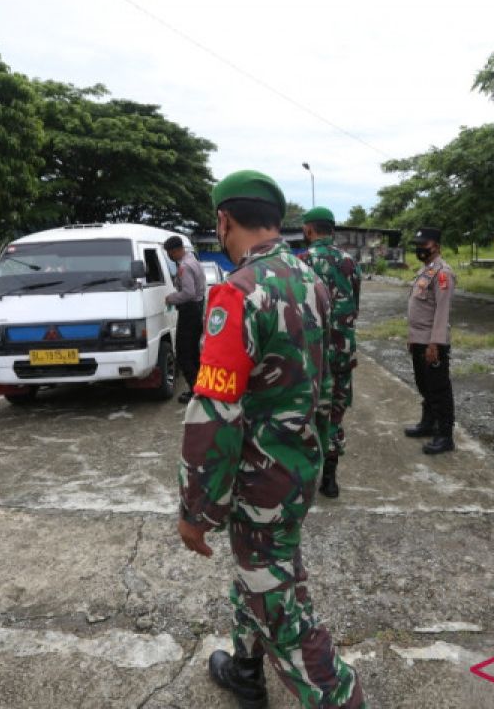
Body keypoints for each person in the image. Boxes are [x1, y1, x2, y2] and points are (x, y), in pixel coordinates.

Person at [177, 170, 365, 709]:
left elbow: (213, 412)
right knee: (257, 575)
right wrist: (319, 454)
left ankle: (341, 697)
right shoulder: (312, 282)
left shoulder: (236, 294)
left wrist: (196, 508)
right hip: (296, 471)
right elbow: (329, 383)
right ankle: (243, 669)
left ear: (224, 220)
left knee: (284, 613)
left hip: (258, 486)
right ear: (277, 221)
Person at [298, 206, 361, 498]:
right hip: (342, 351)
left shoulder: (301, 262)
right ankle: (330, 479)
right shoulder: (349, 262)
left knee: (306, 412)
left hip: (311, 354)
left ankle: (304, 478)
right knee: (336, 412)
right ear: (332, 230)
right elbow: (355, 306)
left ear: (309, 230)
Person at [403, 227, 456, 454]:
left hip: (432, 343)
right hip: (419, 339)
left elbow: (441, 312)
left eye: (424, 245)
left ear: (436, 246)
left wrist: (435, 343)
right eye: (418, 245)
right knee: (424, 385)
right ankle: (428, 423)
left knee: (439, 388)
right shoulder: (425, 271)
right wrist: (412, 337)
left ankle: (445, 436)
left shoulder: (443, 273)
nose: (420, 249)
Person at [163, 235, 207, 404]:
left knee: (183, 354)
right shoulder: (194, 261)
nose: (169, 256)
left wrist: (171, 298)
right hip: (196, 310)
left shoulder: (184, 266)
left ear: (175, 251)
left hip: (189, 311)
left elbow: (188, 293)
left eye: (169, 253)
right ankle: (200, 389)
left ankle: (196, 391)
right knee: (194, 353)